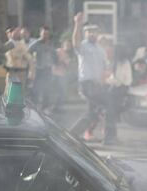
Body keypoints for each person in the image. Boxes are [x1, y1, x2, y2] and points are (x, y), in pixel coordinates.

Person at [69, 12, 109, 143]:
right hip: (87, 83)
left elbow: (104, 69)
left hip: (97, 85)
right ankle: (73, 135)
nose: (92, 34)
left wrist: (103, 83)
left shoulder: (101, 49)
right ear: (85, 34)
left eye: (94, 32)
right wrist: (77, 24)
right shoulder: (83, 46)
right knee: (96, 110)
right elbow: (75, 41)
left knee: (98, 110)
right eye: (89, 32)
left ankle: (84, 133)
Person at [104, 44, 133, 144]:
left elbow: (122, 80)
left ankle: (110, 138)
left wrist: (108, 80)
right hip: (114, 91)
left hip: (118, 90)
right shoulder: (116, 62)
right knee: (110, 115)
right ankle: (109, 138)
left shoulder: (123, 63)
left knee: (111, 115)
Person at [29, 26, 55, 111]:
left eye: (47, 34)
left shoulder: (50, 43)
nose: (45, 35)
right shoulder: (36, 43)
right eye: (44, 33)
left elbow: (53, 54)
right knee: (36, 87)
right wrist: (33, 61)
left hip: (48, 68)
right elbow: (28, 51)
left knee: (47, 88)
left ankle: (45, 107)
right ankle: (34, 105)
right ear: (40, 33)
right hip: (39, 69)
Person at [4, 27, 34, 97]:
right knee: (8, 93)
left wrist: (31, 75)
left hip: (20, 73)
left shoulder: (21, 45)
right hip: (10, 72)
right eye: (9, 32)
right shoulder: (6, 45)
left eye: (13, 32)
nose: (11, 34)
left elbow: (30, 59)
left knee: (18, 94)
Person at [51, 39, 73, 112]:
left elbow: (67, 65)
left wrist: (64, 62)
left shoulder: (68, 55)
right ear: (63, 45)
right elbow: (54, 60)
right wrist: (60, 61)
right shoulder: (58, 51)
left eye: (69, 45)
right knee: (57, 91)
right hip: (55, 73)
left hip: (63, 75)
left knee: (62, 91)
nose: (68, 47)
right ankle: (54, 106)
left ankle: (58, 106)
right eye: (67, 45)